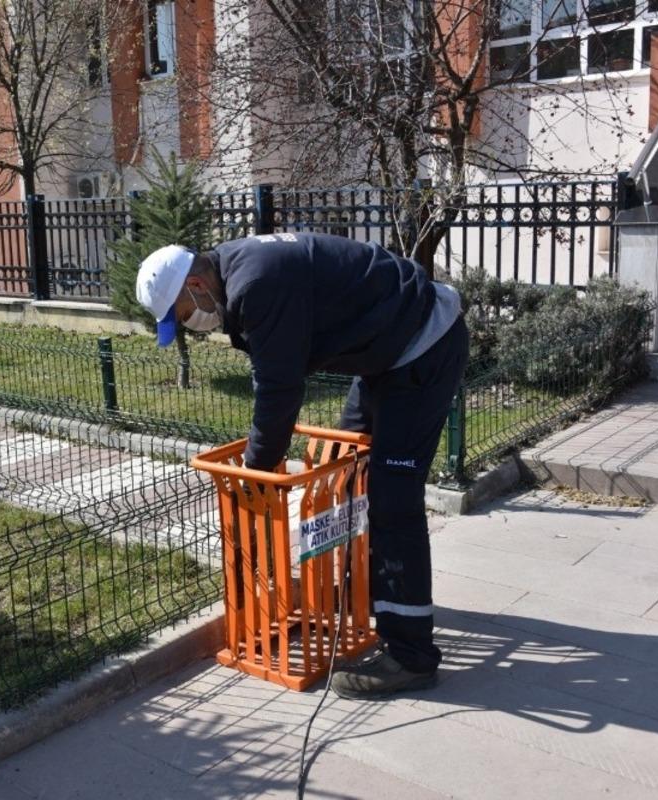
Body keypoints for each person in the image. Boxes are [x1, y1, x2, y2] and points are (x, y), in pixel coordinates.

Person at [135, 232, 469, 698]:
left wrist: (256, 475)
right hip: (385, 350)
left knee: (394, 498)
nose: (193, 324)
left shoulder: (255, 285)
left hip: (422, 344)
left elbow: (279, 390)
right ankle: (375, 597)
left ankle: (411, 655)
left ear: (194, 283)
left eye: (186, 314)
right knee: (347, 469)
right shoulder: (239, 272)